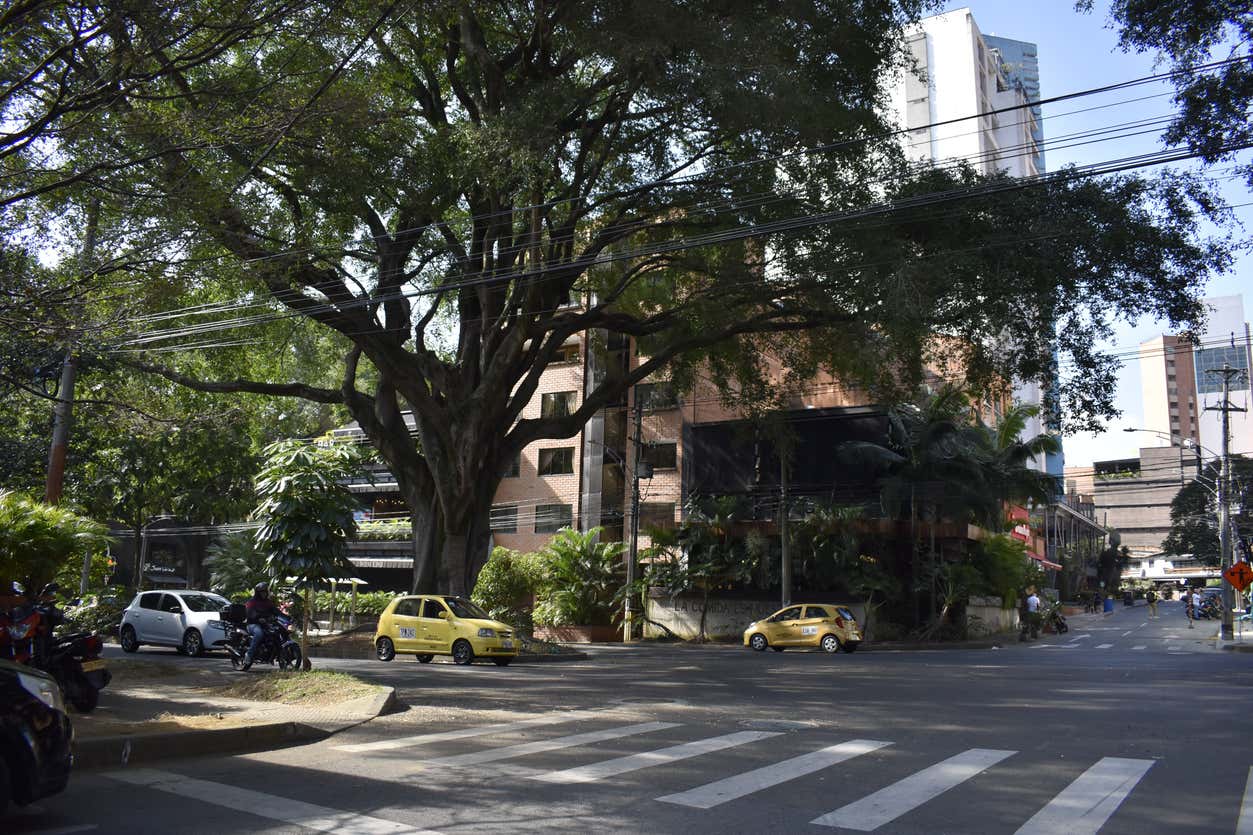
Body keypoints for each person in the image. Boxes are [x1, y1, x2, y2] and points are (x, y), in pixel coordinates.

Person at [244, 581, 279, 666]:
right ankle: (249, 654)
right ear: (258, 593)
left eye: (265, 592)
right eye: (261, 592)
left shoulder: (268, 602)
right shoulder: (252, 602)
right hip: (252, 624)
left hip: (265, 624)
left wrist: (288, 618)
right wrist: (258, 618)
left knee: (276, 633)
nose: (263, 594)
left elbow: (276, 611)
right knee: (259, 634)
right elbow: (250, 612)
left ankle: (271, 655)